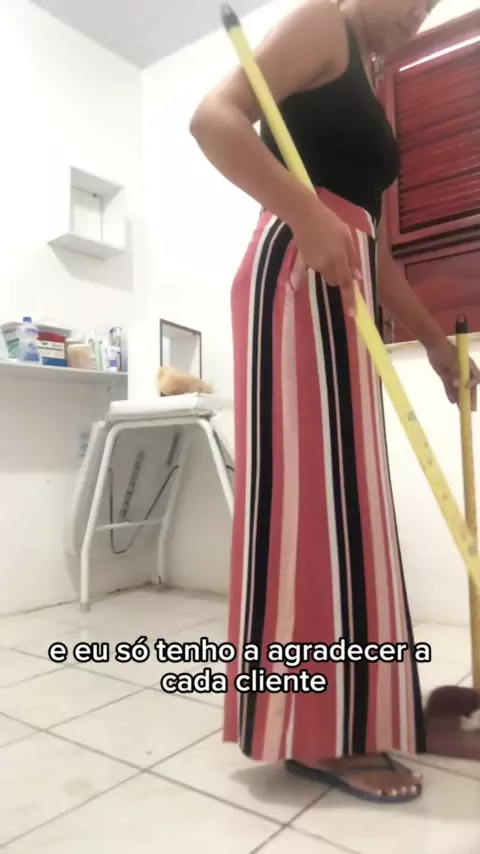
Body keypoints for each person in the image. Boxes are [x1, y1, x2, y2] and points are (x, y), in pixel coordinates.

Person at [190, 0, 480, 803]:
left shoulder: (371, 76)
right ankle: (317, 732)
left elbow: (375, 248)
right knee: (311, 506)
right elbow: (213, 118)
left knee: (352, 504)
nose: (417, 15)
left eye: (431, 6)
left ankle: (365, 708)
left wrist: (433, 341)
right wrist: (304, 212)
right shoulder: (321, 21)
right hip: (297, 273)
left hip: (342, 281)